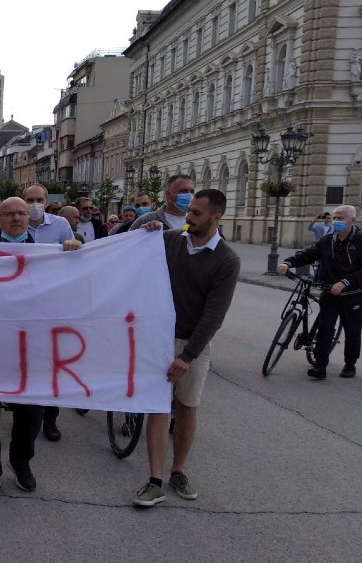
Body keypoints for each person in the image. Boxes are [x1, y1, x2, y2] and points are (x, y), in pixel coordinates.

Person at [132, 189, 240, 508]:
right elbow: (134, 251)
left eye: (195, 213)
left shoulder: (226, 260)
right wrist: (144, 231)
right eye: (188, 211)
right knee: (157, 407)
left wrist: (188, 356)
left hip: (193, 342)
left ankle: (177, 471)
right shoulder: (173, 239)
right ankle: (154, 480)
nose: (187, 217)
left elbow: (214, 315)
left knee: (187, 406)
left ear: (215, 218)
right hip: (158, 337)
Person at [0, 197, 82, 502]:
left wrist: (72, 251)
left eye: (22, 213)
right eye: (9, 214)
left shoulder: (49, 254)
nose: (17, 218)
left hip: (32, 347)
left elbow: (71, 283)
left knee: (31, 414)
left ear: (31, 218)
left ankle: (21, 462)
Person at [278, 205, 362, 379]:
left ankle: (350, 364)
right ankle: (320, 365)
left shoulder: (360, 240)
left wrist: (345, 282)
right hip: (329, 291)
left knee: (352, 331)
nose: (336, 221)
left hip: (353, 295)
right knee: (325, 328)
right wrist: (288, 263)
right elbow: (309, 254)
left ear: (352, 220)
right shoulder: (327, 240)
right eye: (335, 218)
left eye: (341, 218)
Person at [21, 184, 77, 441]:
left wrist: (73, 245)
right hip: (21, 303)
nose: (34, 204)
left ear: (47, 201)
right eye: (29, 200)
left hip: (51, 303)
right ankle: (24, 408)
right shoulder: (16, 221)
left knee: (51, 362)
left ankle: (50, 416)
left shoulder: (61, 225)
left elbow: (73, 258)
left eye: (39, 199)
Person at [130, 176, 195, 232]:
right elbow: (127, 244)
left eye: (192, 192)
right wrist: (142, 232)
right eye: (183, 191)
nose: (189, 195)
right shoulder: (146, 220)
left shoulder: (197, 221)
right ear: (168, 194)